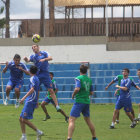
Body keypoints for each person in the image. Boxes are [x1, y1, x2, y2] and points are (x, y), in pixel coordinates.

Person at [24, 44, 61, 111]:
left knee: (51, 90)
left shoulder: (44, 53)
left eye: (34, 47)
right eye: (32, 48)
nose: (33, 48)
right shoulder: (33, 56)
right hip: (38, 74)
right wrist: (25, 59)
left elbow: (51, 58)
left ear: (38, 47)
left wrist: (44, 59)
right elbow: (28, 60)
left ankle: (57, 105)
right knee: (36, 89)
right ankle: (36, 103)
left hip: (45, 74)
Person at [67, 65, 98, 140]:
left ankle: (69, 138)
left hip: (79, 101)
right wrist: (85, 94)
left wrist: (73, 94)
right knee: (88, 120)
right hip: (86, 102)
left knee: (71, 120)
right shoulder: (89, 79)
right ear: (86, 71)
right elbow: (91, 92)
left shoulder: (78, 78)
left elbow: (77, 88)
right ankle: (94, 137)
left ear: (80, 71)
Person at [19, 65, 43, 140]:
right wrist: (37, 101)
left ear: (29, 71)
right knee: (20, 118)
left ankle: (38, 131)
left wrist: (23, 98)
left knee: (24, 119)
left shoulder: (32, 78)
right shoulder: (37, 79)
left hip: (30, 100)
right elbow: (37, 90)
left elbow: (32, 89)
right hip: (33, 100)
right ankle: (24, 136)